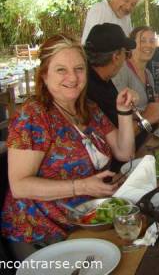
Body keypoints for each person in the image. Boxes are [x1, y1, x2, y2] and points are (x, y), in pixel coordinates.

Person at [1, 35, 137, 260]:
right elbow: (20, 186)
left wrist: (123, 111)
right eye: (61, 70)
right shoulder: (34, 115)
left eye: (79, 68)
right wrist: (82, 186)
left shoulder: (89, 109)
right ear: (44, 74)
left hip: (84, 222)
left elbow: (125, 152)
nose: (72, 77)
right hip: (40, 234)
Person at [85, 23, 159, 137]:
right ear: (116, 57)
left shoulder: (101, 79)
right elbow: (115, 136)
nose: (126, 57)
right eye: (125, 52)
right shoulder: (93, 90)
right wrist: (146, 118)